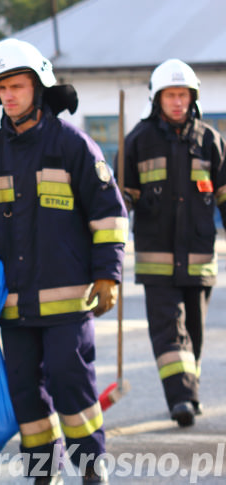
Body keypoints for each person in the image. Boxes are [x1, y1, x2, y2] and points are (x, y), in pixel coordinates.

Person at [0, 38, 128, 485]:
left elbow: (109, 216)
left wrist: (107, 274)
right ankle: (42, 471)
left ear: (38, 86)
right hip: (11, 303)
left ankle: (91, 466)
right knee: (24, 391)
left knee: (69, 378)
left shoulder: (72, 145)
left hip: (69, 298)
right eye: (1, 89)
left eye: (17, 85)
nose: (8, 96)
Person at [121, 59, 226, 427]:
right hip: (156, 260)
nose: (178, 102)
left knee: (193, 333)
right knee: (169, 329)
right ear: (157, 98)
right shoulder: (137, 140)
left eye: (183, 95)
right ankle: (181, 398)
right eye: (171, 95)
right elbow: (122, 201)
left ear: (192, 98)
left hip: (199, 258)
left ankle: (188, 389)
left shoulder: (210, 141)